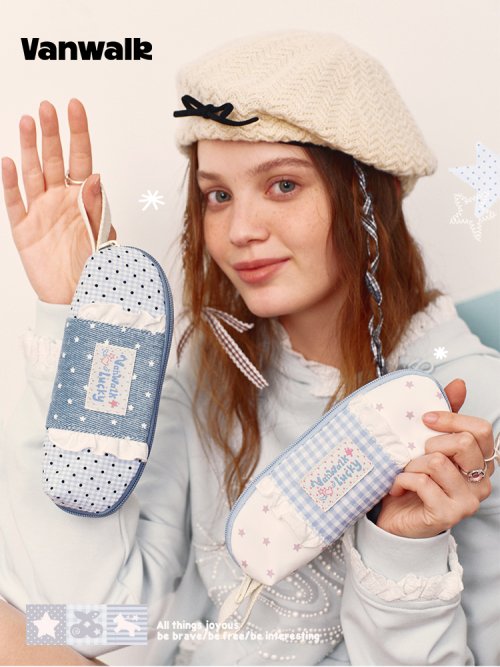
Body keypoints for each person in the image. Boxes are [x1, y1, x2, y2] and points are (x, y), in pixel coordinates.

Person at [1, 31, 499, 666]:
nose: (239, 230)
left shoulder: (469, 410)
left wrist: (404, 549)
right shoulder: (214, 368)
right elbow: (95, 617)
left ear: (375, 194)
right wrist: (77, 334)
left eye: (283, 185)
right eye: (218, 195)